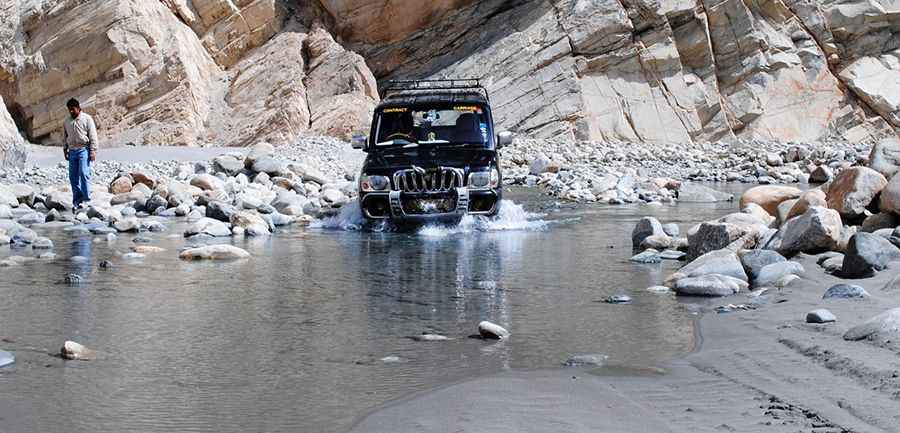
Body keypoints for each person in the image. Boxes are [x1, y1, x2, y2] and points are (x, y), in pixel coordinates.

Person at [63, 98, 98, 209]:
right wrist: (65, 149)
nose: (71, 112)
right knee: (73, 177)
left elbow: (93, 135)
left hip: (84, 150)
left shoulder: (87, 119)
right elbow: (65, 137)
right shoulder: (66, 121)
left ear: (78, 108)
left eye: (73, 109)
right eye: (69, 110)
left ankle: (86, 199)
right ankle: (77, 200)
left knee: (83, 173)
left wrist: (93, 151)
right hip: (72, 151)